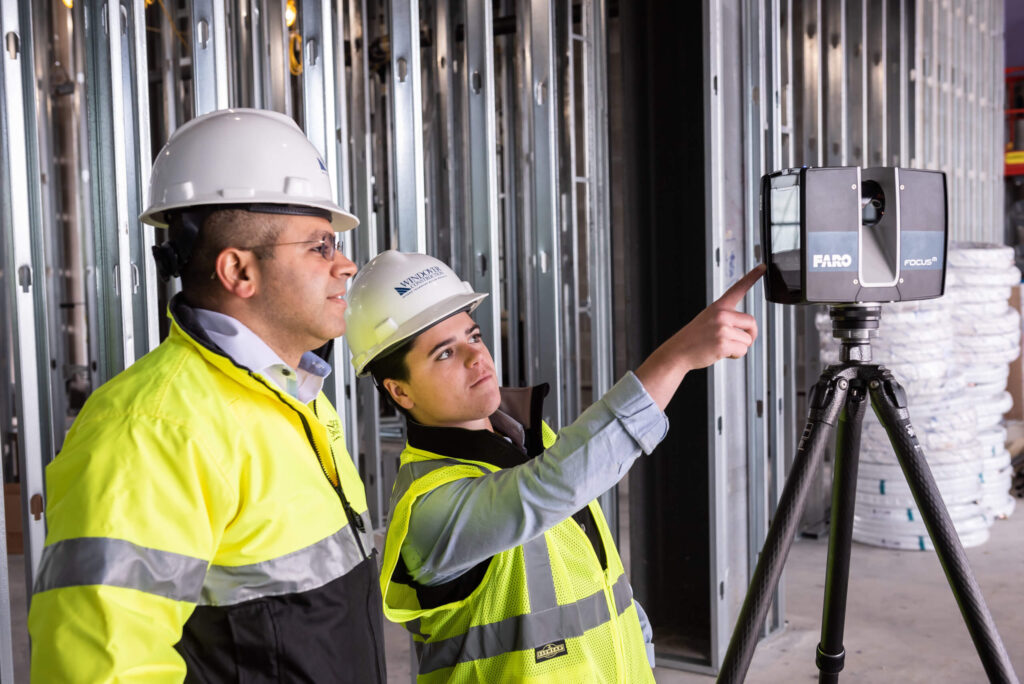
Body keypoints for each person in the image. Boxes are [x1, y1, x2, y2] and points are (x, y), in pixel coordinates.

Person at [27, 109, 385, 682]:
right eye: (320, 245)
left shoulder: (294, 396)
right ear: (238, 270)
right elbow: (101, 667)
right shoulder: (151, 428)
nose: (345, 264)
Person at [344, 249, 764, 682]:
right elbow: (554, 485)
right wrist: (675, 358)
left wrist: (644, 658)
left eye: (473, 336)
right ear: (400, 392)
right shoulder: (429, 508)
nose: (476, 358)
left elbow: (603, 585)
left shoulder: (533, 439)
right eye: (444, 354)